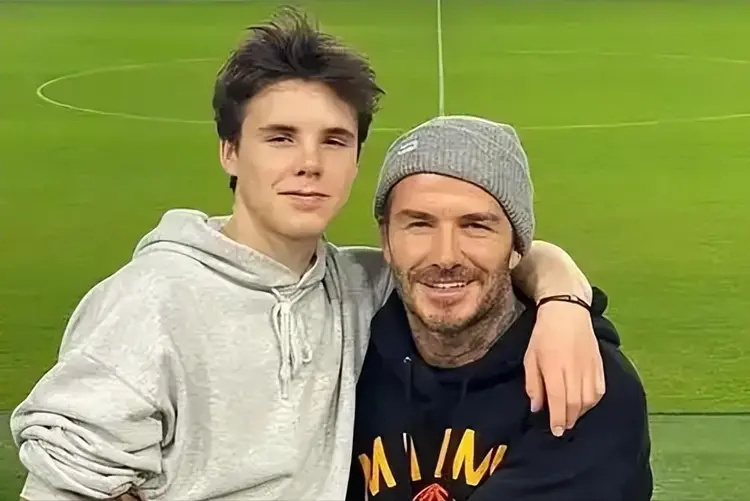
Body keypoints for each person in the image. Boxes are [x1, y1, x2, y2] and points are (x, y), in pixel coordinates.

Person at [12, 8, 605, 501]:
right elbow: (63, 482)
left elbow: (475, 261)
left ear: (355, 160)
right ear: (229, 151)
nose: (310, 163)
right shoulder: (150, 303)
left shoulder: (358, 286)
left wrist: (562, 302)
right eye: (280, 138)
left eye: (334, 141)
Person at [347, 115, 652, 501]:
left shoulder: (583, 384)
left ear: (517, 247)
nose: (445, 256)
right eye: (419, 224)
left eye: (475, 226)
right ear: (386, 240)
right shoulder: (345, 348)